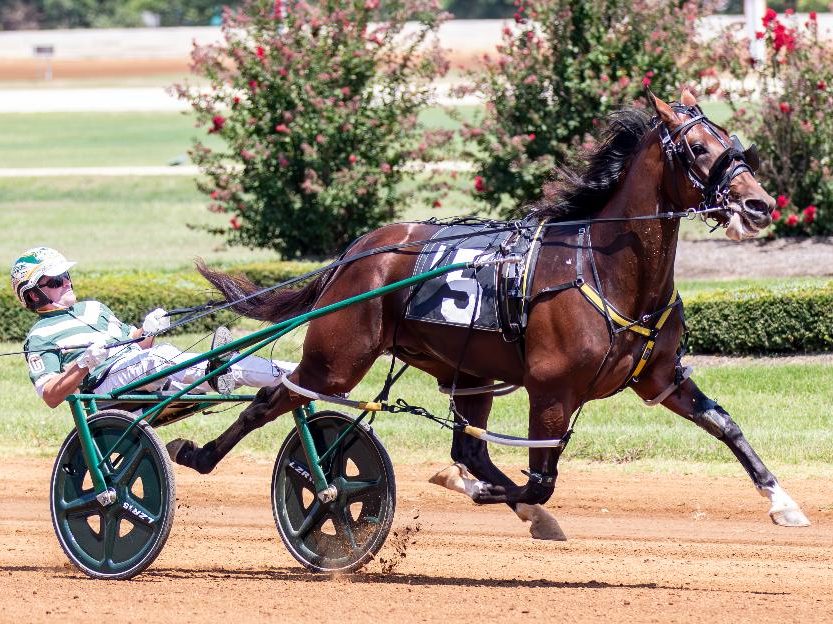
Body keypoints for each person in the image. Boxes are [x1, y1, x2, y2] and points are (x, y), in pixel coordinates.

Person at [12, 246, 295, 408]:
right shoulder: (39, 337)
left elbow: (135, 344)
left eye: (66, 275)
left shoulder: (94, 308)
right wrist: (83, 365)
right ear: (34, 295)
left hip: (137, 373)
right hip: (104, 390)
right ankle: (213, 372)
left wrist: (148, 331)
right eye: (55, 281)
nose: (66, 282)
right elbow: (50, 395)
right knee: (161, 357)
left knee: (226, 364)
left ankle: (295, 374)